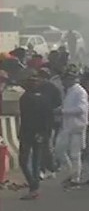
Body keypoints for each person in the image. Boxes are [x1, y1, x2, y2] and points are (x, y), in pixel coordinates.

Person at [18, 72, 52, 200]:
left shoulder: (25, 98)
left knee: (24, 160)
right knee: (36, 161)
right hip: (39, 133)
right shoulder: (44, 98)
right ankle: (34, 186)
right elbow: (48, 118)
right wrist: (44, 133)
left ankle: (33, 186)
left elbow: (26, 118)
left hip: (28, 133)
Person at [55, 66, 89, 189]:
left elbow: (81, 109)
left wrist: (63, 111)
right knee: (59, 150)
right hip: (67, 126)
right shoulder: (68, 91)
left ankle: (75, 179)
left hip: (77, 127)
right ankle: (70, 172)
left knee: (75, 154)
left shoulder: (80, 91)